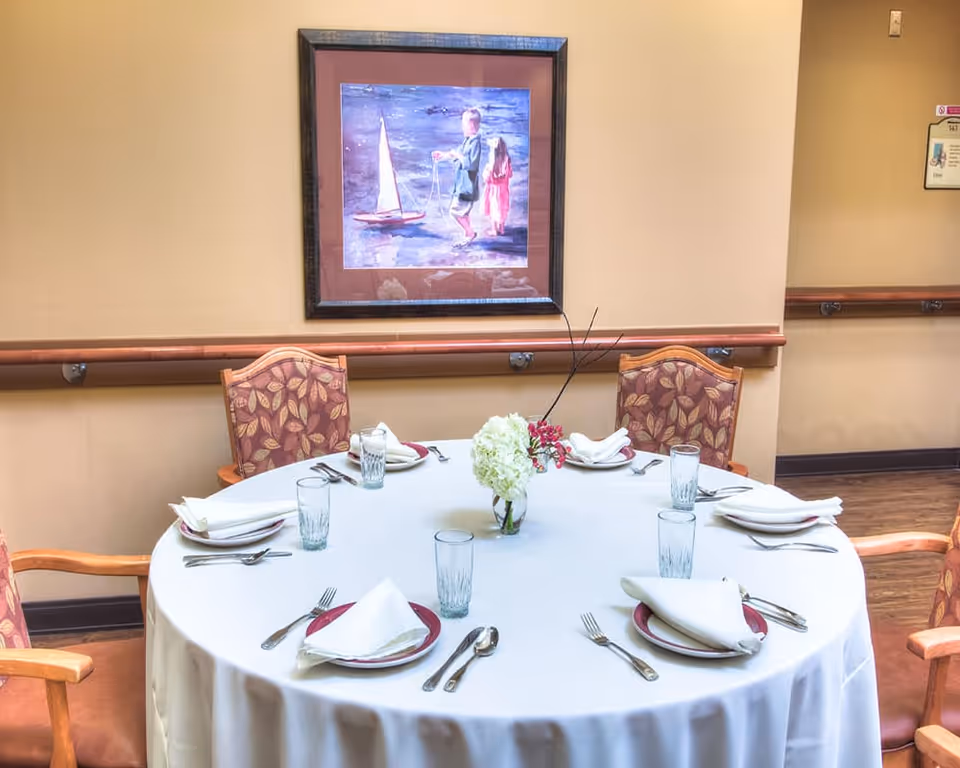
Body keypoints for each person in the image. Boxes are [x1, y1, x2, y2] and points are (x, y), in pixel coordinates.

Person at [432, 108, 483, 248]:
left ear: (472, 125)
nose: (462, 126)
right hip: (462, 185)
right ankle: (468, 234)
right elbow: (456, 153)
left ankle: (470, 232)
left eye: (464, 123)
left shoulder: (475, 143)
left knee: (455, 210)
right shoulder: (467, 141)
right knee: (463, 211)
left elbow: (471, 164)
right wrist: (443, 155)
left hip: (467, 187)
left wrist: (458, 156)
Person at [482, 137, 512, 236]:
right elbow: (510, 174)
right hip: (504, 190)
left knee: (493, 209)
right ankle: (502, 229)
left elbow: (487, 178)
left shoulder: (491, 165)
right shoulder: (507, 161)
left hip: (493, 190)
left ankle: (494, 230)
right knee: (502, 208)